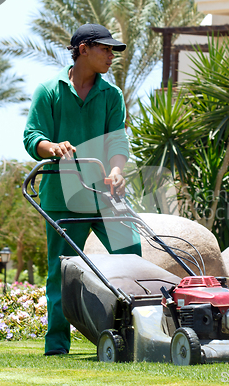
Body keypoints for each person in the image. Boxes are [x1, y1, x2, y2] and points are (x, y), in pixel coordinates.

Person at [23, 24, 142, 356]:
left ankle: (131, 336)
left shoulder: (111, 95)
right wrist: (52, 147)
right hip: (61, 197)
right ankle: (57, 345)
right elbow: (32, 136)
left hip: (106, 196)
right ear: (84, 49)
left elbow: (118, 140)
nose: (111, 56)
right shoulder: (49, 91)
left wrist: (117, 170)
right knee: (62, 272)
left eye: (113, 51)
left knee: (132, 254)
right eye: (106, 49)